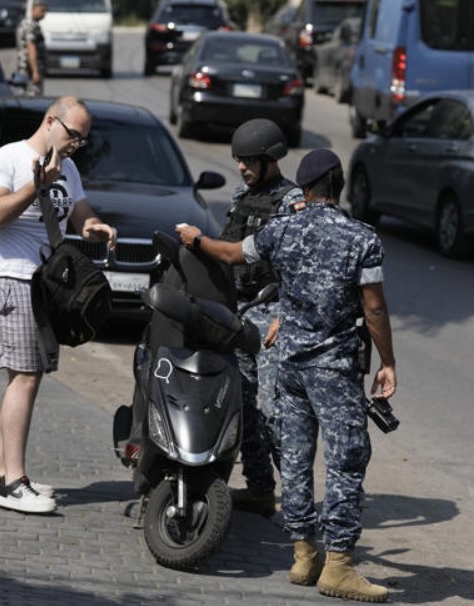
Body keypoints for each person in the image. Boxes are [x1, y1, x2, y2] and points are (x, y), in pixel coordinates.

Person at [175, 149, 397, 603]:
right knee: (346, 462)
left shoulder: (282, 227)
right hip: (333, 371)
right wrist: (388, 361)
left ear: (306, 187)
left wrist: (196, 240)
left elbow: (233, 254)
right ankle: (338, 567)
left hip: (290, 366)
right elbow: (373, 307)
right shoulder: (361, 238)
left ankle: (302, 557)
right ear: (338, 184)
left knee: (295, 459)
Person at [0, 96, 117, 514]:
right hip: (9, 278)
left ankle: (0, 473)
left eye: (84, 139)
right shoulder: (6, 160)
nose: (78, 144)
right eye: (74, 134)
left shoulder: (68, 169)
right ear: (51, 121)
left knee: (27, 377)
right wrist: (36, 185)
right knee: (24, 377)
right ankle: (13, 485)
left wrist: (94, 227)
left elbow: (80, 216)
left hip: (43, 285)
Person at [221, 119, 303, 517]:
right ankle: (259, 488)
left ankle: (298, 500)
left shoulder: (292, 203)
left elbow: (305, 268)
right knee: (244, 405)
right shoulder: (240, 197)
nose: (242, 167)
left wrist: (286, 314)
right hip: (239, 312)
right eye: (239, 159)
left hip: (273, 313)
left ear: (271, 160)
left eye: (250, 160)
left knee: (274, 411)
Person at [16, 0, 48, 96]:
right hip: (28, 71)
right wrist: (35, 71)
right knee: (33, 97)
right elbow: (31, 48)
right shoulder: (30, 26)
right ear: (33, 9)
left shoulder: (28, 24)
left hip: (26, 71)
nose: (44, 14)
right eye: (42, 10)